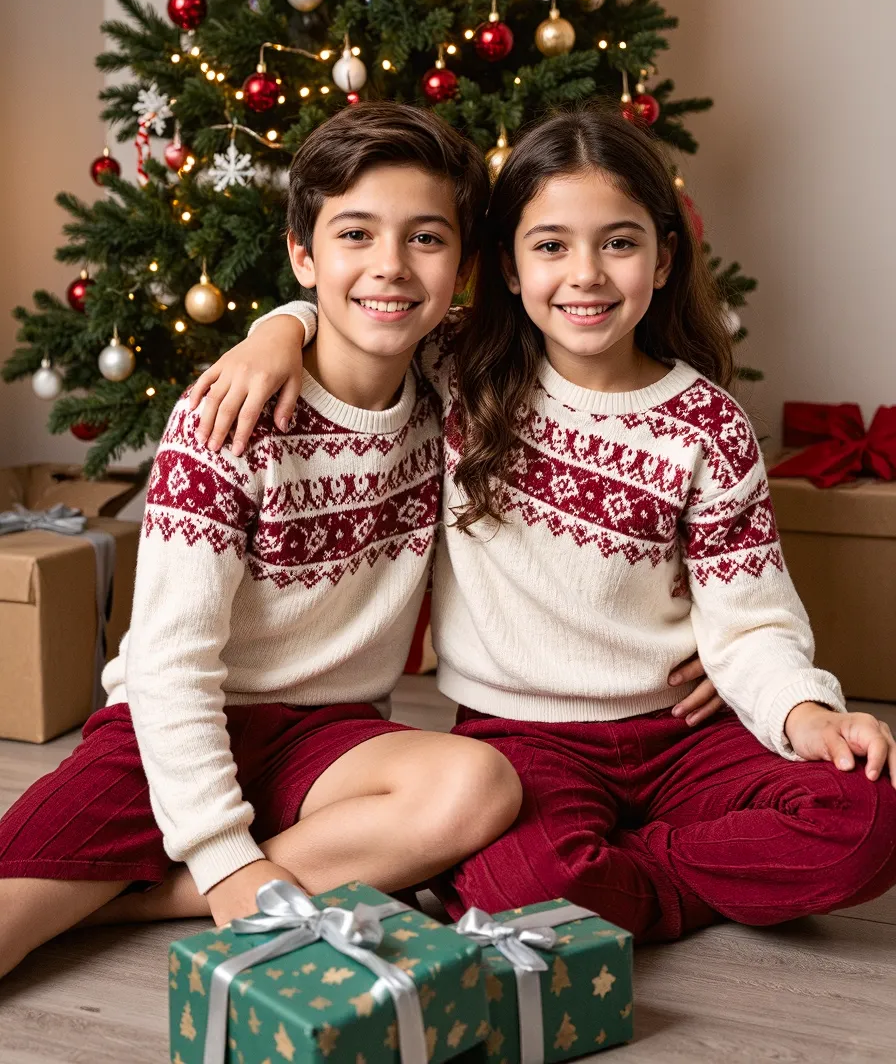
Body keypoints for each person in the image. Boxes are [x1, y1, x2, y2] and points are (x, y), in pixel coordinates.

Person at [184, 103, 896, 943]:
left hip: (681, 732)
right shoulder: (458, 372)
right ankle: (612, 877)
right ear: (511, 270)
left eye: (619, 242)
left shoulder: (709, 425)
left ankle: (608, 879)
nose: (586, 273)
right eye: (551, 245)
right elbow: (361, 309)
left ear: (664, 259)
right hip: (523, 741)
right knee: (520, 869)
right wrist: (277, 329)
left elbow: (752, 623)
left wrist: (805, 714)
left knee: (865, 823)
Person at [0, 102, 524, 979]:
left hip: (330, 741)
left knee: (478, 785)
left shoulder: (451, 382)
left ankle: (149, 898)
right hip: (170, 726)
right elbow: (169, 663)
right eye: (355, 234)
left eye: (426, 240)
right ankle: (237, 871)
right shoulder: (228, 419)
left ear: (464, 268)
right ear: (302, 254)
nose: (390, 267)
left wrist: (284, 321)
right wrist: (223, 850)